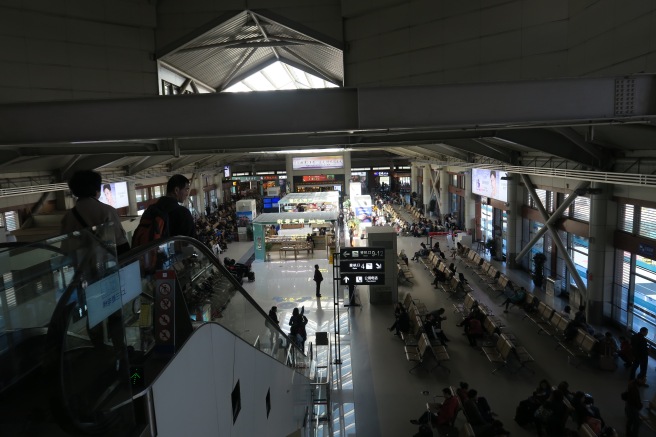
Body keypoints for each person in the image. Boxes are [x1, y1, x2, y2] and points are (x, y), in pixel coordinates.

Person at [61, 170, 130, 256]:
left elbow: (66, 249)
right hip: (106, 263)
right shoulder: (107, 211)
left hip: (82, 266)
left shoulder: (68, 217)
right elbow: (121, 244)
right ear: (97, 189)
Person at [146, 174, 197, 239]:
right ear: (176, 190)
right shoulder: (182, 213)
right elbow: (190, 244)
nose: (187, 193)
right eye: (186, 189)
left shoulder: (150, 210)